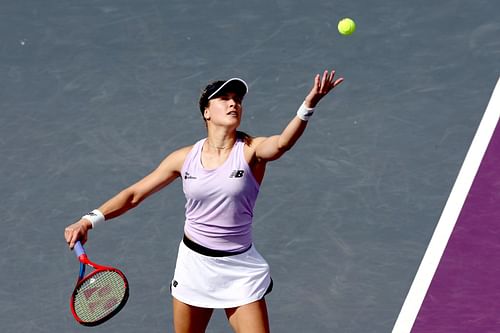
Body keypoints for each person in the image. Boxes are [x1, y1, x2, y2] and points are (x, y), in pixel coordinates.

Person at [64, 70, 343, 333]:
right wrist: (89, 219)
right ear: (207, 112)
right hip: (194, 266)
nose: (233, 104)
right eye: (224, 99)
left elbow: (281, 144)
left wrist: (307, 107)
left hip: (240, 269)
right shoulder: (183, 158)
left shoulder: (251, 150)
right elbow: (134, 194)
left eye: (237, 100)